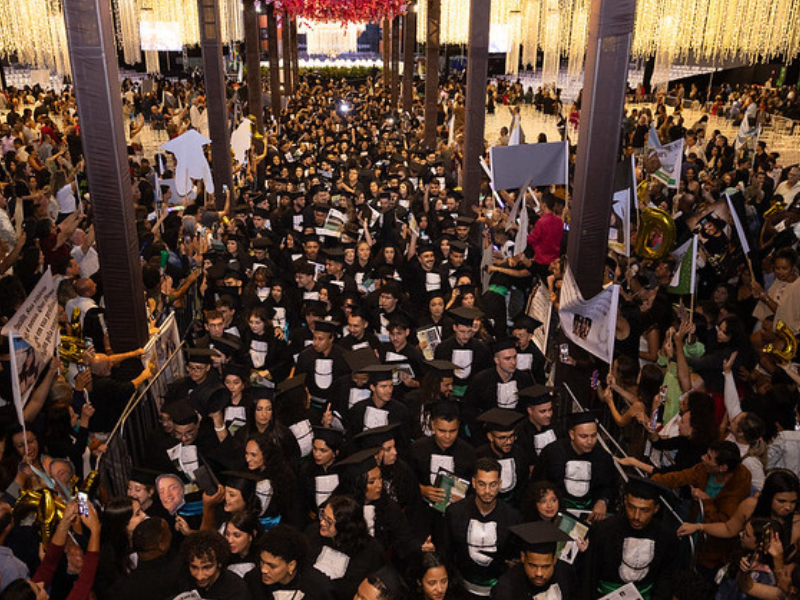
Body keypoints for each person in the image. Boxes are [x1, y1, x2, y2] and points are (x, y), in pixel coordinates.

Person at [652, 440, 752, 572]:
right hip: (693, 531)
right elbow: (680, 477)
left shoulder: (738, 485)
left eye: (709, 457)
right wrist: (651, 482)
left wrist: (705, 501)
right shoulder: (704, 469)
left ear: (722, 467)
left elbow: (722, 524)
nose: (703, 458)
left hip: (713, 550)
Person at [438, 458, 521, 598]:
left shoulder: (513, 517)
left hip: (499, 590)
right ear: (474, 483)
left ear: (500, 484)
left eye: (493, 484)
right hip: (461, 589)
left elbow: (513, 556)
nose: (487, 491)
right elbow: (446, 552)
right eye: (482, 484)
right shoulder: (455, 512)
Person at [585, 477, 680, 600]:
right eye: (631, 507)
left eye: (644, 510)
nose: (636, 516)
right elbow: (589, 576)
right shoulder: (603, 530)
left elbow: (665, 579)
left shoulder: (665, 537)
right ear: (625, 502)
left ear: (656, 508)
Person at [533, 412, 619, 522]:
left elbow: (610, 485)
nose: (589, 441)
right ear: (572, 434)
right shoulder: (552, 453)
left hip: (590, 516)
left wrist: (603, 501)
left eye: (593, 436)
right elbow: (537, 484)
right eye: (584, 436)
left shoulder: (603, 457)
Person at [307, 495, 385, 600]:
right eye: (322, 515)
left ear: (344, 526)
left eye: (329, 521)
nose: (322, 523)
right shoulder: (313, 533)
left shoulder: (371, 551)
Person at [245, 523, 333, 600]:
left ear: (291, 565)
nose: (263, 570)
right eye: (262, 562)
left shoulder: (318, 587)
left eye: (272, 566)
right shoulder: (253, 580)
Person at [492, 521, 576, 600]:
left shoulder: (566, 576)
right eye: (533, 566)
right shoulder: (507, 587)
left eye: (546, 567)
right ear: (523, 557)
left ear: (554, 560)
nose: (539, 573)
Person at [175, 530, 251, 600]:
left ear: (219, 563)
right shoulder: (182, 579)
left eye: (207, 567)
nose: (200, 577)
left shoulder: (236, 588)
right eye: (194, 567)